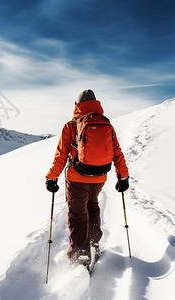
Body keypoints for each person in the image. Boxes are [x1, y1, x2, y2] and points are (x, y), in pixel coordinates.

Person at [45, 89, 129, 265]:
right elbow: (117, 152)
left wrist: (52, 177)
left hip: (77, 178)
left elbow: (61, 156)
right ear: (96, 103)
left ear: (77, 105)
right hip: (99, 177)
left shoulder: (71, 125)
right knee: (92, 207)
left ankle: (81, 254)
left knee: (77, 215)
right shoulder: (107, 124)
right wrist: (123, 176)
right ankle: (94, 243)